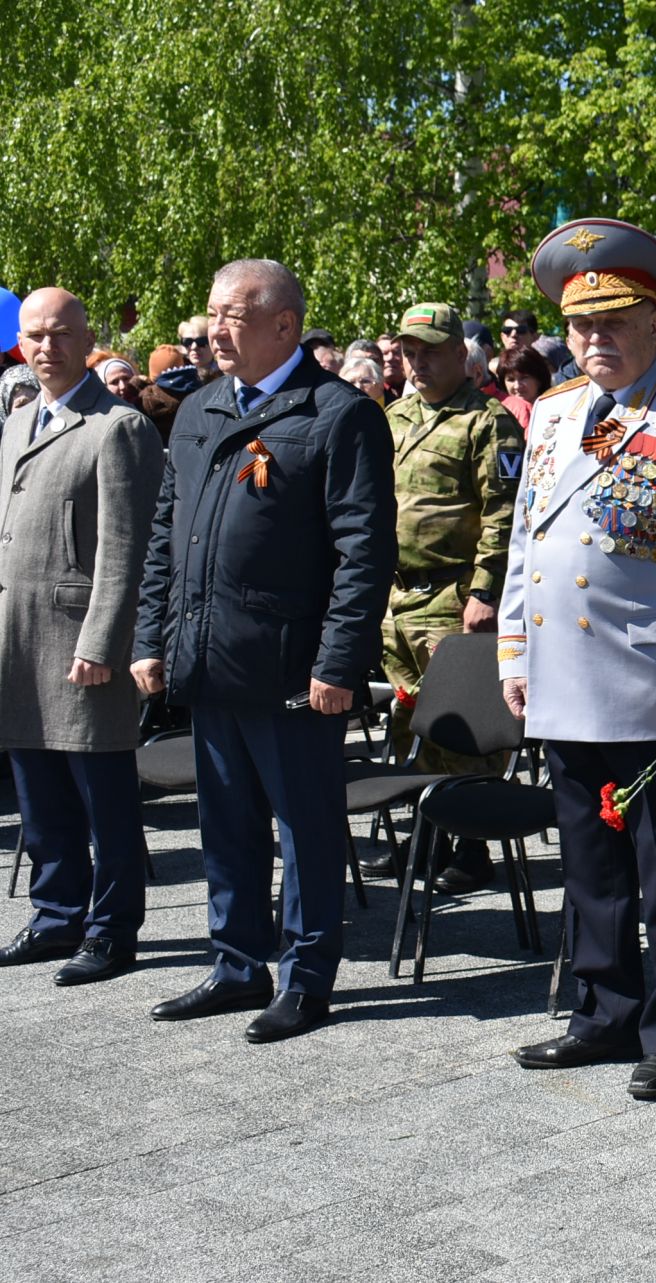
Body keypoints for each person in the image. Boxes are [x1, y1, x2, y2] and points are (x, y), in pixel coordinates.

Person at [499, 218, 656, 1100]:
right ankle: (601, 1012)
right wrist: (513, 646)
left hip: (653, 685)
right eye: (581, 326)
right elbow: (526, 543)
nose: (595, 341)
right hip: (565, 679)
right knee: (589, 863)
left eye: (614, 323)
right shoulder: (557, 414)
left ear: (654, 323)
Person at [133, 258, 397, 1043]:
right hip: (211, 660)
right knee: (226, 822)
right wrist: (152, 636)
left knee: (305, 826)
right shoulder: (200, 408)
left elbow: (363, 553)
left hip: (292, 667)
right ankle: (235, 963)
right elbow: (164, 538)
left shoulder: (337, 414)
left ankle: (306, 977)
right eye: (211, 313)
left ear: (285, 324)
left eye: (233, 314)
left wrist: (337, 663)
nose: (215, 329)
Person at [0, 288, 164, 984]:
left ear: (85, 336)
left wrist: (104, 640)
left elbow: (129, 548)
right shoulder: (17, 419)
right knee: (40, 795)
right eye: (34, 336)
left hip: (79, 643)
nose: (46, 348)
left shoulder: (117, 425)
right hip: (18, 637)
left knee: (105, 798)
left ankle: (111, 927)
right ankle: (56, 912)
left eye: (60, 334)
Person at [370, 301, 525, 889]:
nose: (418, 362)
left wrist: (486, 591)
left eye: (431, 350)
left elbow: (503, 514)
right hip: (397, 597)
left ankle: (472, 844)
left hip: (453, 595)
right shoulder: (394, 416)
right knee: (407, 720)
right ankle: (425, 836)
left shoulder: (488, 422)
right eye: (410, 352)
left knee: (461, 725)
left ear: (461, 353)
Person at [497, 345, 552, 428]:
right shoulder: (499, 414)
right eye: (511, 379)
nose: (517, 386)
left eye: (524, 378)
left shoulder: (557, 408)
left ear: (539, 378)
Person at [177, 315, 219, 381]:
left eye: (201, 341)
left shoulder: (228, 375)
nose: (194, 347)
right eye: (188, 341)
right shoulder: (177, 377)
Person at [376, 332, 408, 400]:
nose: (390, 357)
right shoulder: (371, 391)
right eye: (384, 353)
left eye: (396, 352)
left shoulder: (416, 388)